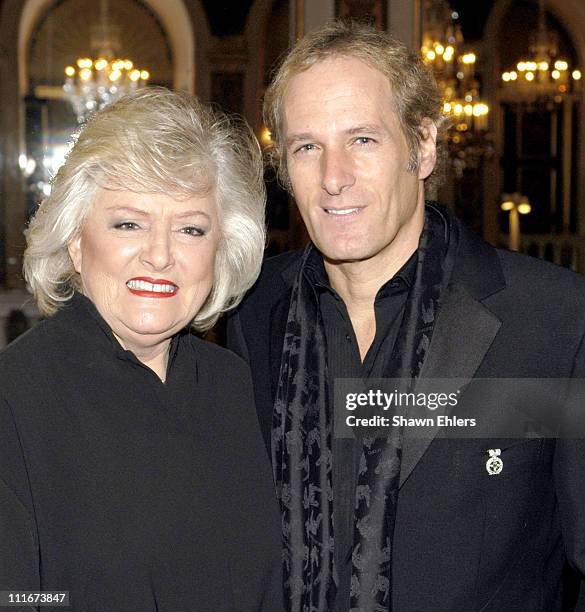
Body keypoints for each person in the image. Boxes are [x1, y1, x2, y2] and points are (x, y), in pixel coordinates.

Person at [227, 21, 585, 611]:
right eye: (307, 147)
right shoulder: (251, 310)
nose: (334, 178)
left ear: (423, 146)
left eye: (363, 140)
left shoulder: (553, 322)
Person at [0, 88, 282, 611]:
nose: (159, 255)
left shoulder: (233, 384)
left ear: (221, 249)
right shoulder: (16, 397)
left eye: (190, 228)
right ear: (76, 242)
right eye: (128, 223)